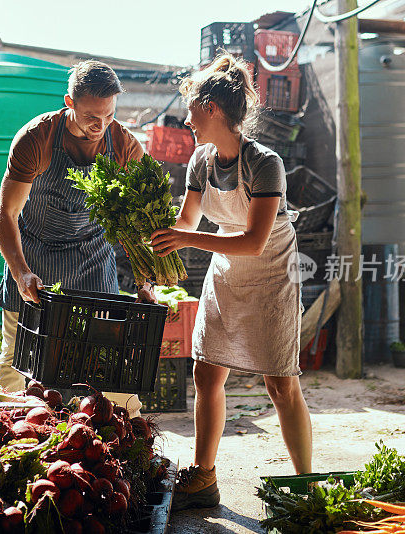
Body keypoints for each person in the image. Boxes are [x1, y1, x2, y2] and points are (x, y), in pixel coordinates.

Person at [151, 54, 312, 511]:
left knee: (280, 385)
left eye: (192, 110)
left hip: (270, 272)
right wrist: (154, 236)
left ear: (213, 108)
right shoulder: (201, 160)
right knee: (206, 373)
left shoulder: (265, 163)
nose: (187, 120)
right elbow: (186, 221)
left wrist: (186, 237)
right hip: (226, 270)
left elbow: (256, 241)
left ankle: (310, 484)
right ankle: (204, 477)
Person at [0, 60, 154, 416]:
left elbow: (133, 224)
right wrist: (20, 272)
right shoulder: (37, 138)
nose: (102, 125)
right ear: (70, 102)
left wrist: (146, 279)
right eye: (92, 116)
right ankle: (4, 437)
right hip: (35, 258)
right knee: (17, 359)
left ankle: (128, 441)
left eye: (109, 115)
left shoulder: (125, 146)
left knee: (110, 358)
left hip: (92, 258)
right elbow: (6, 213)